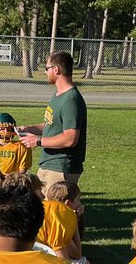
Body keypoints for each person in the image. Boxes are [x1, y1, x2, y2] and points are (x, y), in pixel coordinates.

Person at [19, 51, 87, 191]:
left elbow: (70, 139)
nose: (45, 72)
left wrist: (38, 141)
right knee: (41, 209)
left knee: (56, 210)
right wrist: (29, 128)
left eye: (47, 68)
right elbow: (51, 125)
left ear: (56, 69)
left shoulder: (71, 100)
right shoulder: (58, 95)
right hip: (48, 164)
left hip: (60, 168)